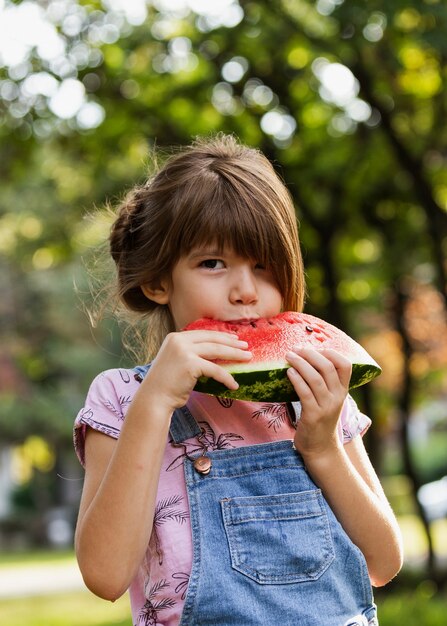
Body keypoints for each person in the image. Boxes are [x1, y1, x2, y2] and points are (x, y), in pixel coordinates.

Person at [74, 134, 403, 626]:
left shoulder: (315, 394)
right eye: (213, 263)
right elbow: (104, 575)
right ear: (159, 281)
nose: (246, 291)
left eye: (264, 265)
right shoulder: (120, 398)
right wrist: (154, 403)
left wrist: (322, 448)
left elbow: (383, 562)